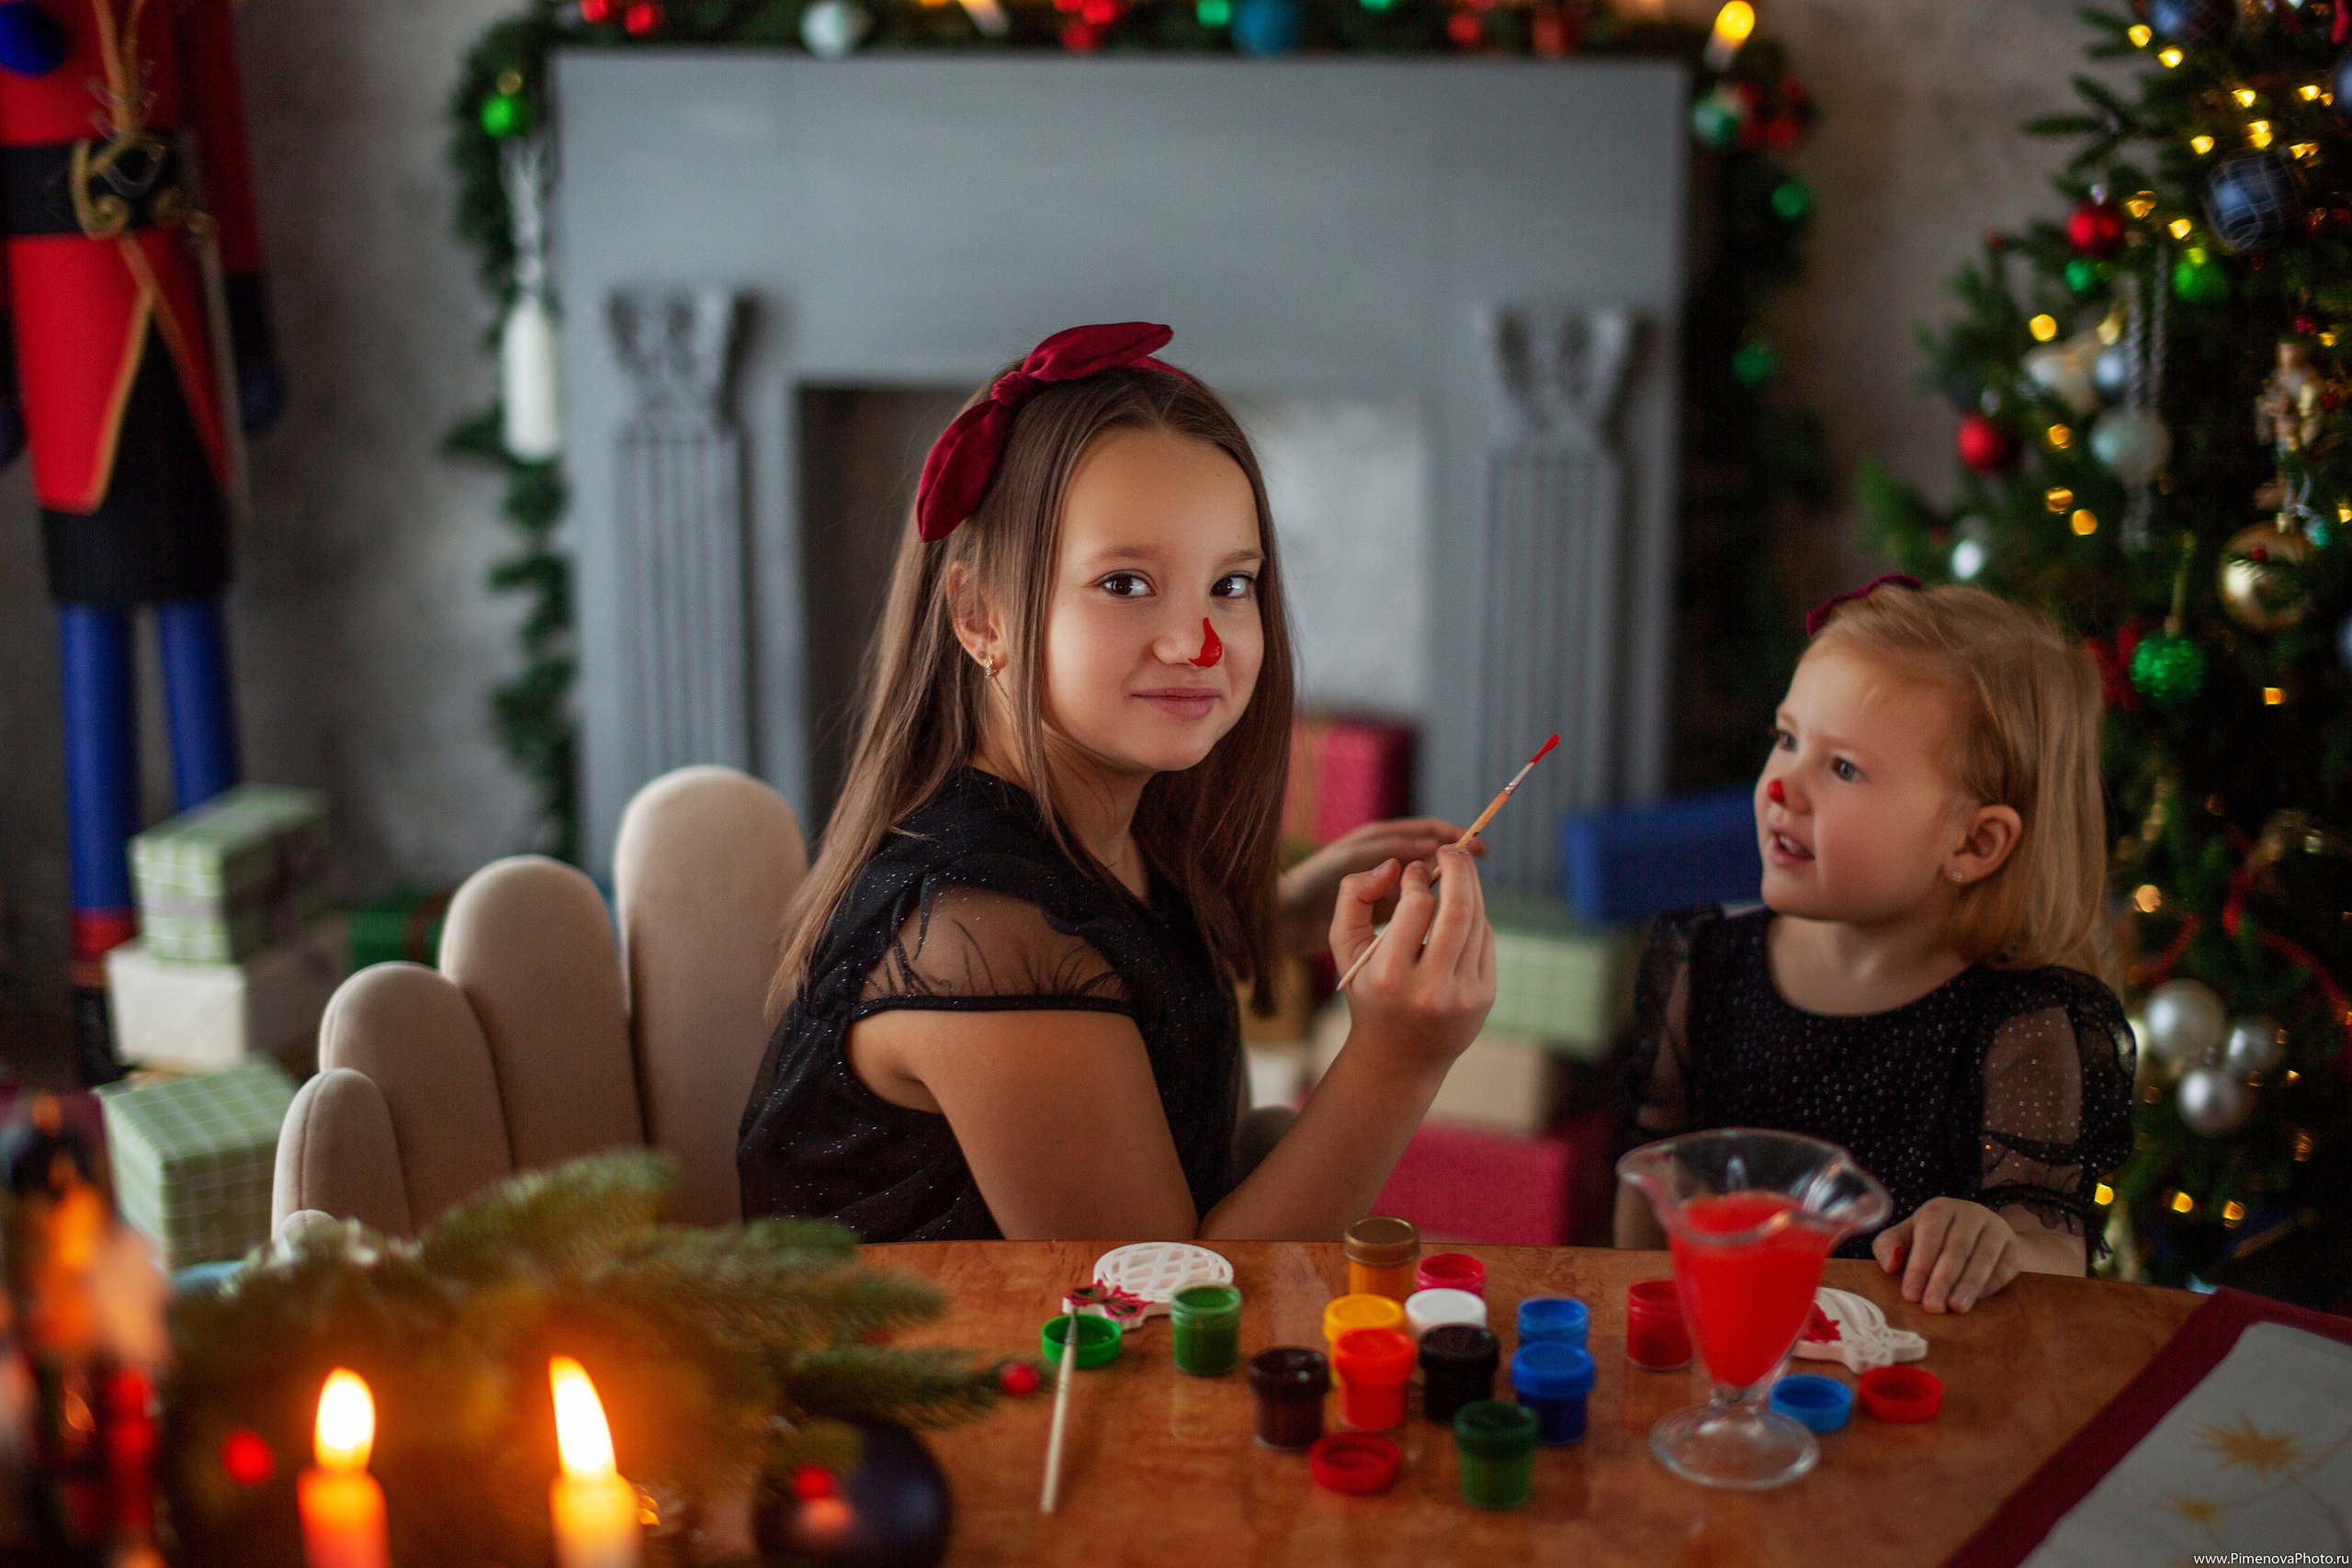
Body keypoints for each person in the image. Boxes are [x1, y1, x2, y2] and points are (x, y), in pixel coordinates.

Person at [739, 323, 1496, 1242]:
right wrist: (1396, 1060)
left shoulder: (1108, 825)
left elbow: (1121, 955)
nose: (1196, 643)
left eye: (1231, 584)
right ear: (980, 617)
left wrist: (1280, 912)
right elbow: (1173, 1312)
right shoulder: (985, 940)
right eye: (1127, 584)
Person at [1614, 577, 2135, 1314]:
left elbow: (2053, 1250)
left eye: (1844, 767)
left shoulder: (2022, 1025)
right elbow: (1647, 1186)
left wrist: (1993, 1239)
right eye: (1787, 739)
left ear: (1975, 841)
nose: (1779, 787)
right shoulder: (1704, 963)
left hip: (1907, 1400)